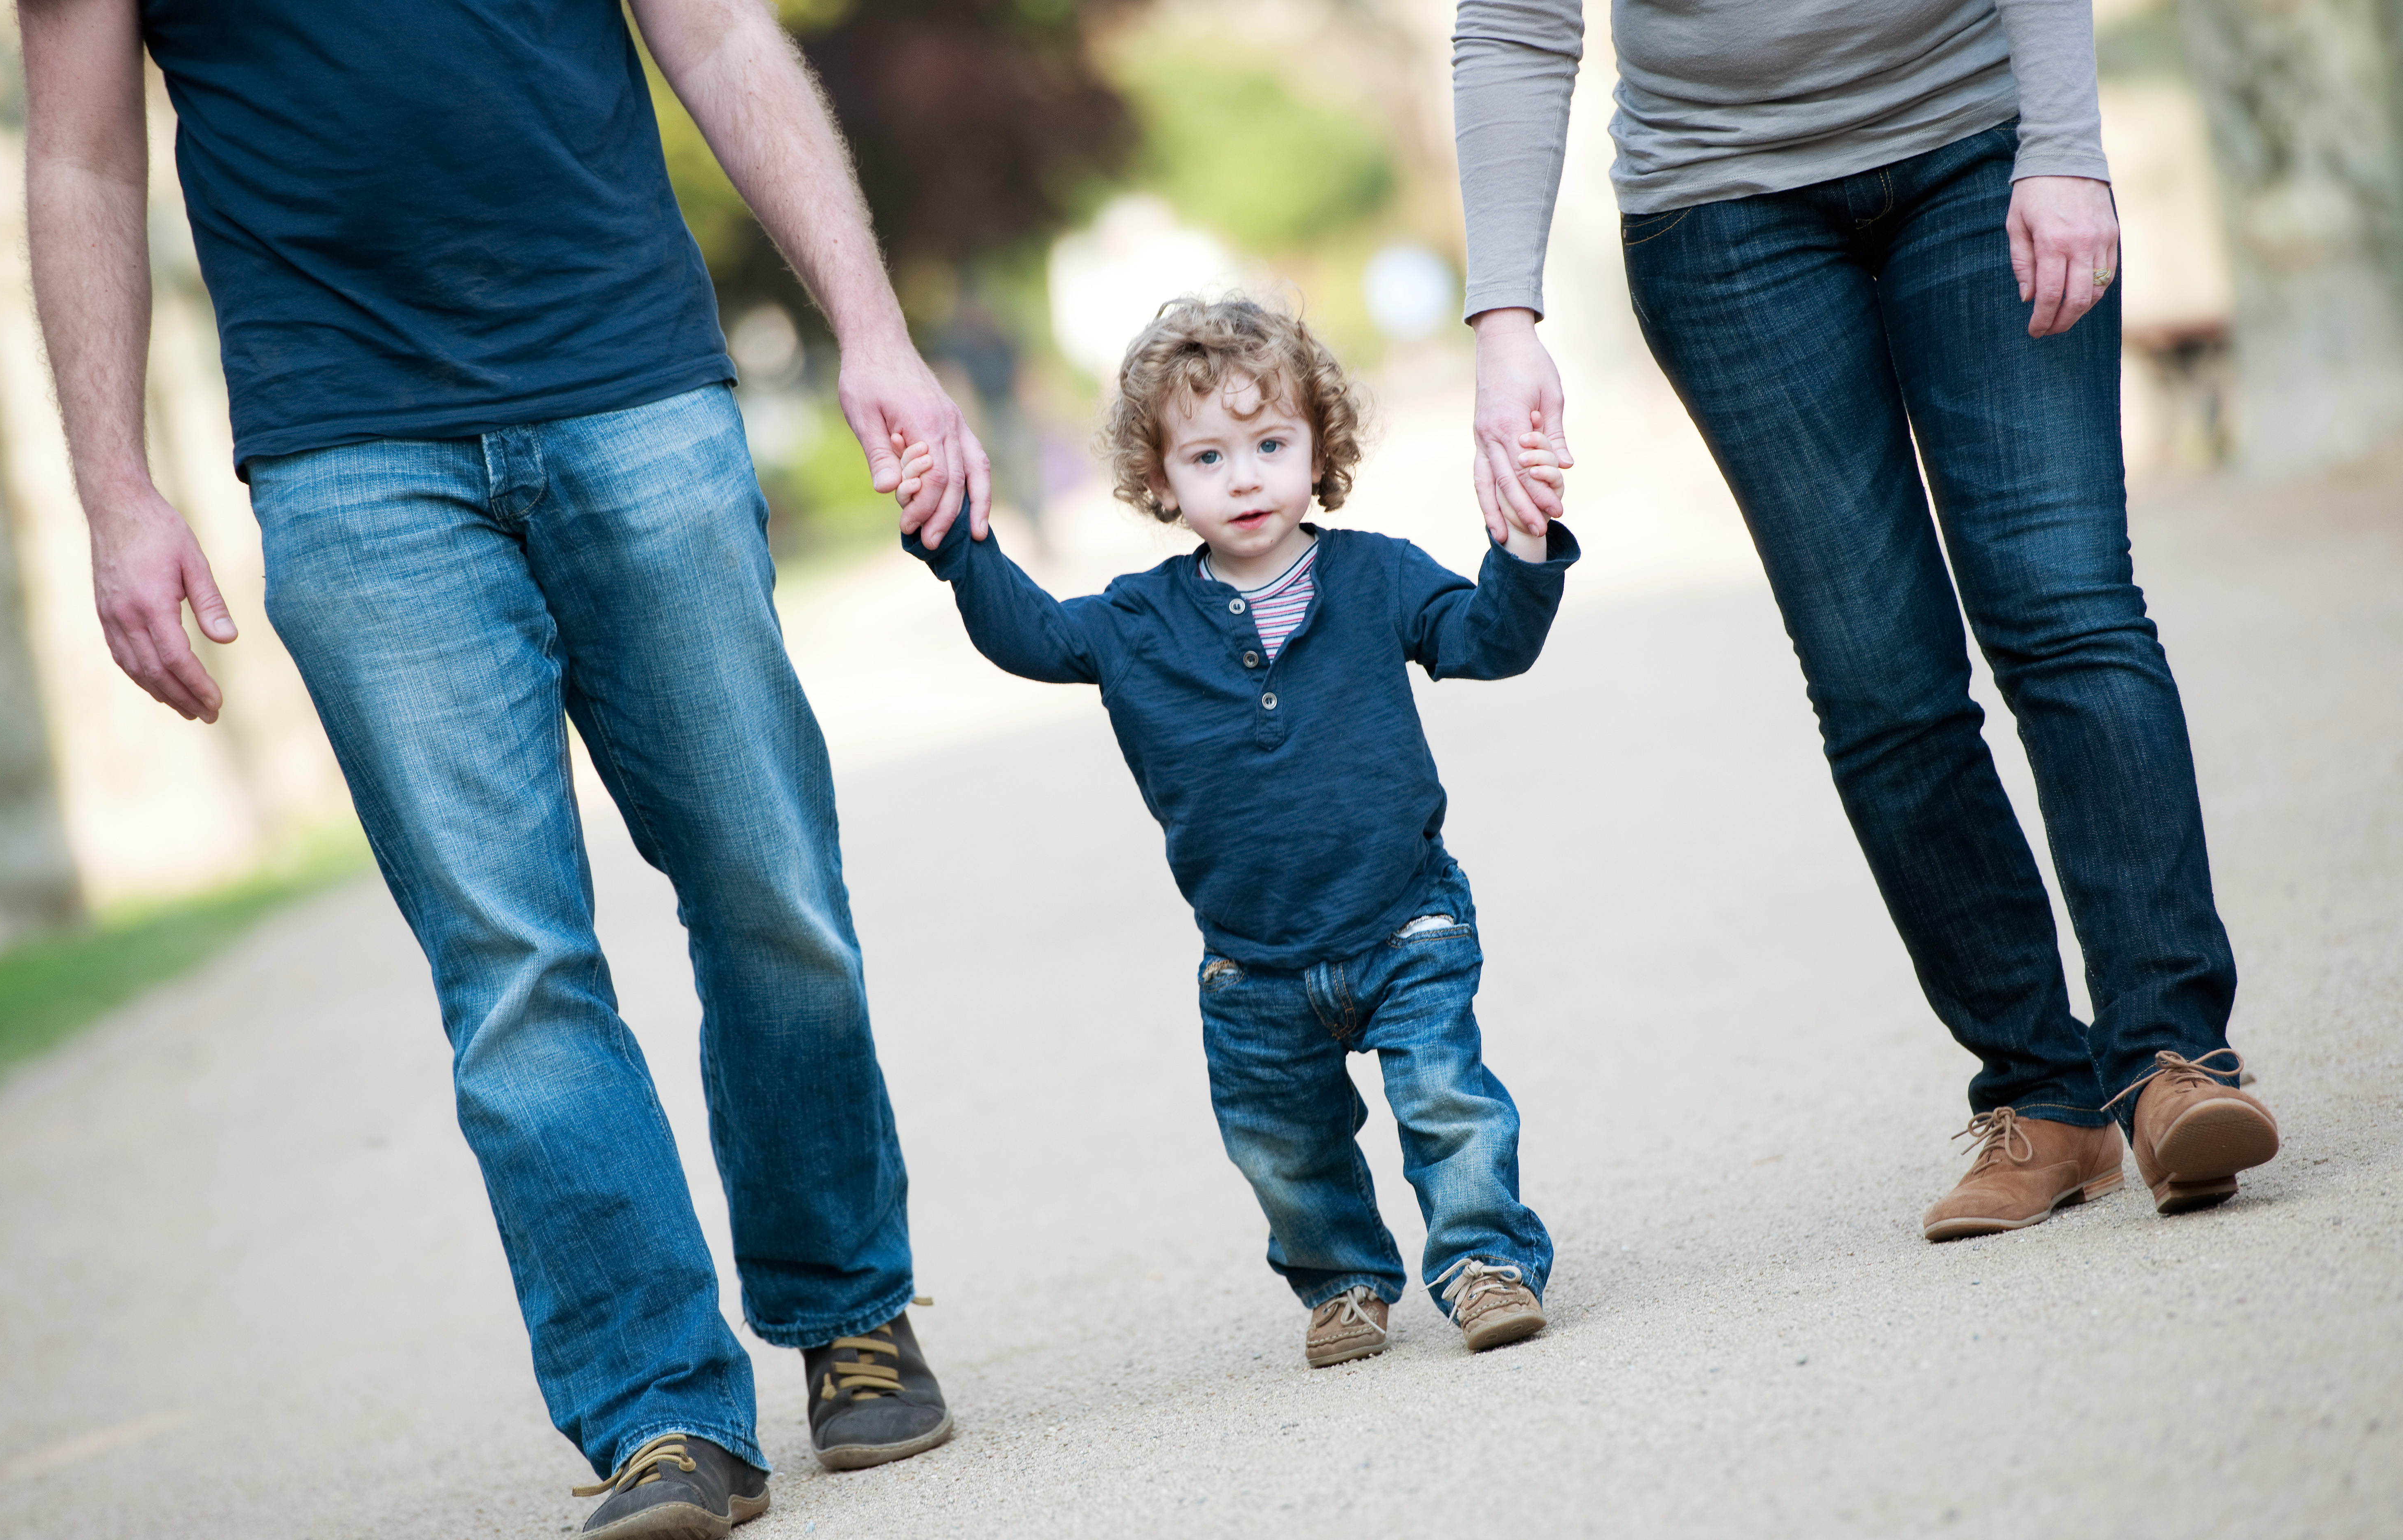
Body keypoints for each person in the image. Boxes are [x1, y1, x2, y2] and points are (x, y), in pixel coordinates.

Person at [20, 0, 990, 1540]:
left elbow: (727, 39)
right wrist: (114, 489)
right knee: (512, 962)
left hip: (635, 387)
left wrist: (871, 330)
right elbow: (76, 160)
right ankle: (661, 1409)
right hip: (346, 453)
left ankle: (849, 1313)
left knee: (771, 884)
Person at [1449, 0, 2281, 1239]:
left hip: (1978, 142)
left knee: (2065, 608)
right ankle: (2042, 1100)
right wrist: (1504, 322)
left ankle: (2173, 1062)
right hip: (1719, 213)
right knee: (1877, 682)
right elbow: (1516, 22)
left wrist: (2061, 142)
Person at [897, 297, 1574, 1365]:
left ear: (1319, 448)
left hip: (1403, 918)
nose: (1246, 476)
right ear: (1163, 482)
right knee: (1282, 1146)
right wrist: (956, 542)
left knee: (1448, 1102)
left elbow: (1488, 641)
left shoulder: (1376, 575)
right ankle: (1343, 1280)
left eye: (1271, 444)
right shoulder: (1135, 622)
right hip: (1250, 962)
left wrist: (1525, 547)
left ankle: (1485, 1259)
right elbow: (1030, 635)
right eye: (1208, 456)